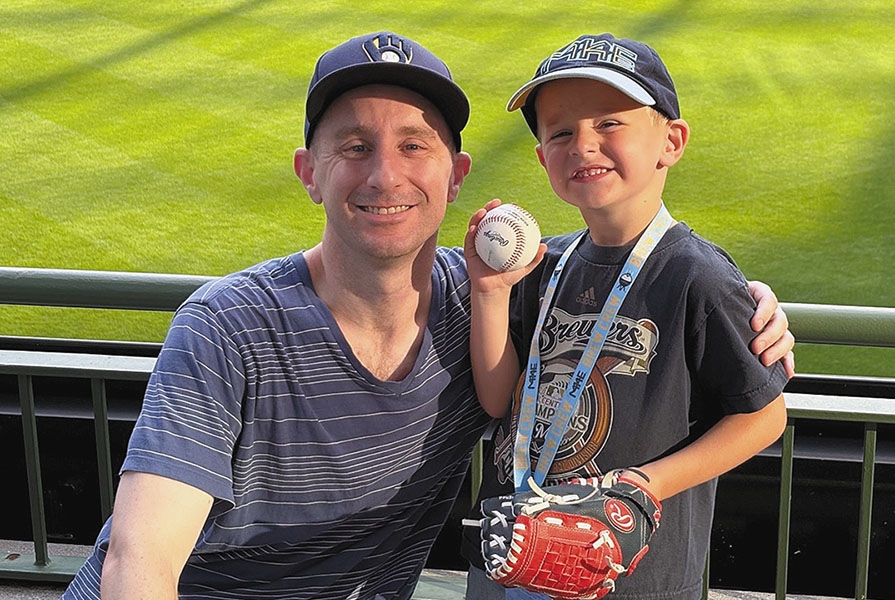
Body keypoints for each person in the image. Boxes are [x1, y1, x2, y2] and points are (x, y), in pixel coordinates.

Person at [61, 31, 792, 600]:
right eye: (354, 147)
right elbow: (140, 560)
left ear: (456, 176)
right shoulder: (229, 327)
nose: (385, 175)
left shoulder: (498, 292)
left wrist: (741, 295)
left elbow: (652, 279)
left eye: (415, 145)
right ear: (308, 172)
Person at [462, 33, 791, 600]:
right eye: (560, 132)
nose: (583, 144)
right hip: (513, 561)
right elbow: (499, 401)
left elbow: (763, 417)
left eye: (610, 123)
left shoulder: (697, 276)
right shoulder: (544, 266)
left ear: (672, 141)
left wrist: (643, 487)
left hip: (634, 577)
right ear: (543, 157)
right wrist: (490, 292)